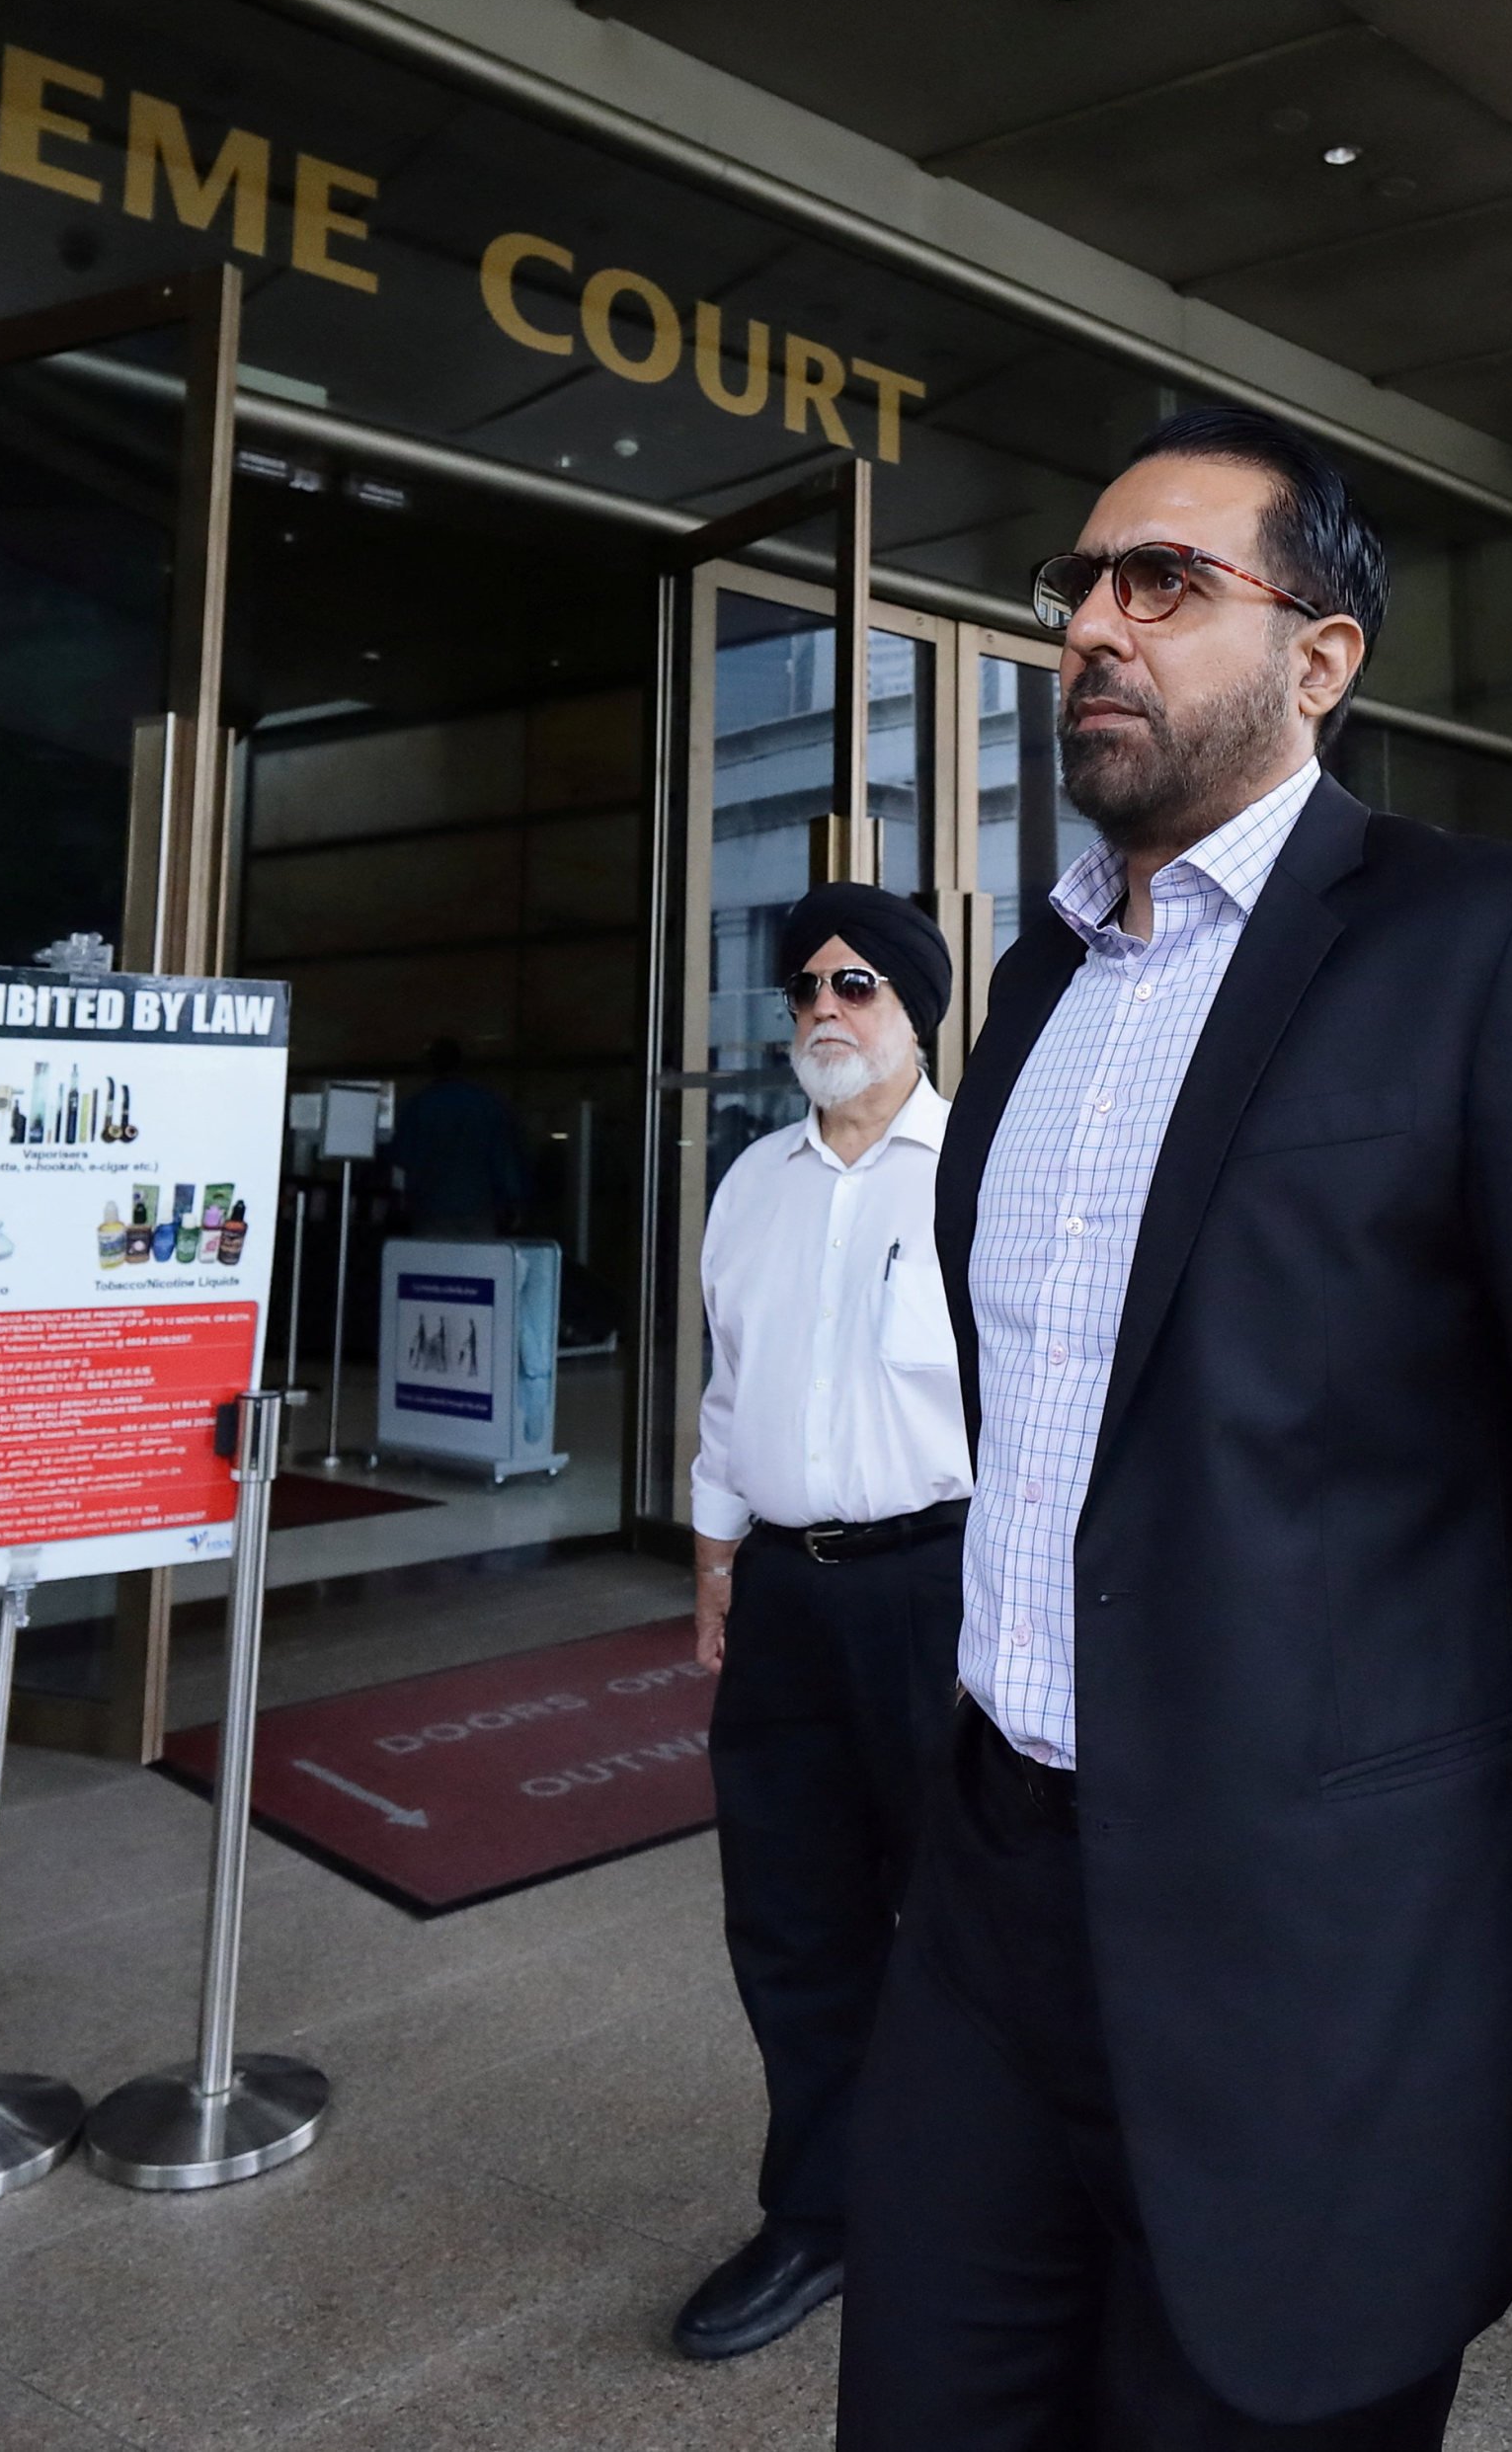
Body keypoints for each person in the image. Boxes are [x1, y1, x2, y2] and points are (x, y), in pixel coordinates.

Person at [851, 406, 1512, 2447]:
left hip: (1316, 1985)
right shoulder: (1033, 988)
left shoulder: (1493, 948)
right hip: (992, 1928)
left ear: (1322, 656)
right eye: (1078, 586)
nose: (1094, 625)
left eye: (1163, 582)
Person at [675, 886, 975, 2361]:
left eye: (854, 984)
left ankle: (990, 2209)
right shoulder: (750, 1186)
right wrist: (716, 1557)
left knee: (974, 1918)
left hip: (946, 1589)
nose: (820, 1009)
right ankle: (817, 2214)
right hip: (786, 1595)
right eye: (801, 986)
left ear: (917, 1008)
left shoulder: (982, 1174)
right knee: (792, 1920)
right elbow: (729, 1397)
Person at [388, 1033, 529, 1238]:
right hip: (479, 1207)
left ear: (431, 1065)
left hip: (431, 1207)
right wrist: (514, 1201)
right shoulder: (487, 1104)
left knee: (433, 1266)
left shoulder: (417, 1106)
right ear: (460, 1064)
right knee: (478, 1267)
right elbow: (503, 1158)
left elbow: (401, 1159)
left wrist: (400, 1201)